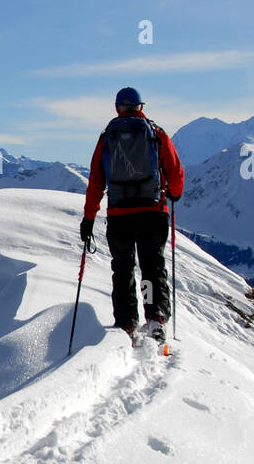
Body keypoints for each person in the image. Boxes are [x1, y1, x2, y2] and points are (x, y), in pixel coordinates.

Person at [79, 87, 184, 343]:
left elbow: (95, 181)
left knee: (123, 268)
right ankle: (155, 317)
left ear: (117, 107)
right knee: (152, 266)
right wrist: (174, 193)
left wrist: (89, 217)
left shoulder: (107, 137)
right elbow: (175, 170)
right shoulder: (156, 133)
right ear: (141, 107)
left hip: (119, 215)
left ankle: (127, 323)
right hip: (152, 212)